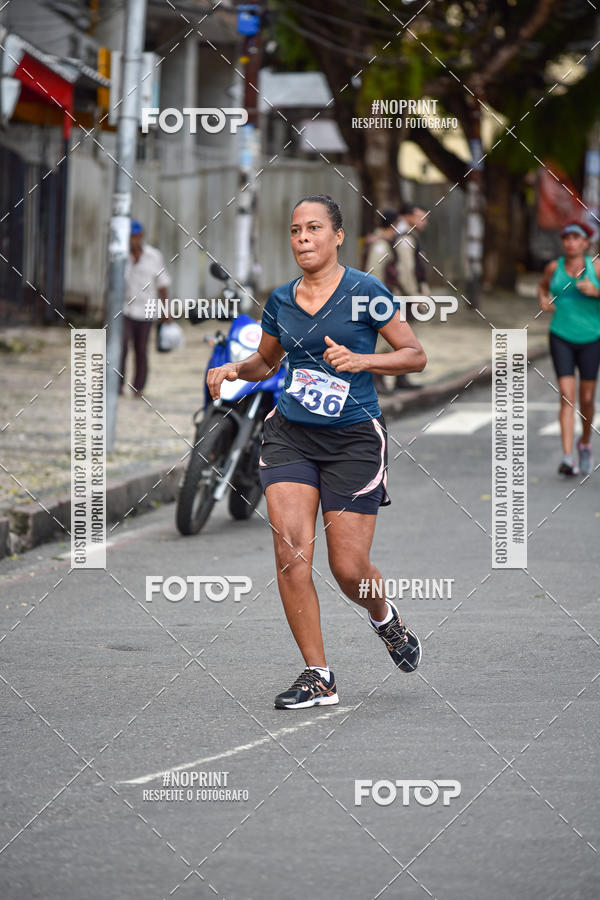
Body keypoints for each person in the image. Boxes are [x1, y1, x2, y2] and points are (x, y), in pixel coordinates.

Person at [207, 194, 427, 709]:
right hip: (292, 435)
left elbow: (414, 356)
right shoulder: (281, 300)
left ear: (337, 236)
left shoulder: (366, 291)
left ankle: (385, 619)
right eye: (295, 230)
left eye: (313, 228)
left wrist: (363, 360)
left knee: (348, 568)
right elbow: (266, 361)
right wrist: (234, 370)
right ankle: (318, 675)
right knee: (290, 554)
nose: (303, 238)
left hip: (353, 439)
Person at [538, 220, 600, 476]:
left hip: (592, 338)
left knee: (586, 398)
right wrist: (543, 300)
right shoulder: (554, 267)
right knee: (566, 396)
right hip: (560, 336)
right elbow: (543, 287)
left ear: (586, 243)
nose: (571, 243)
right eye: (567, 238)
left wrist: (597, 291)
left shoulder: (596, 267)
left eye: (576, 238)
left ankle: (584, 443)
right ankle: (567, 458)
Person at [120, 220, 171, 397]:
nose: (133, 240)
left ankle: (138, 387)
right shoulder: (120, 256)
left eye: (135, 236)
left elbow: (163, 285)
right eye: (130, 236)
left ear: (141, 236)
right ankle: (117, 384)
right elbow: (110, 285)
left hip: (146, 310)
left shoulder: (153, 256)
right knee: (122, 347)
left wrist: (166, 310)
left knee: (141, 349)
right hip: (125, 309)